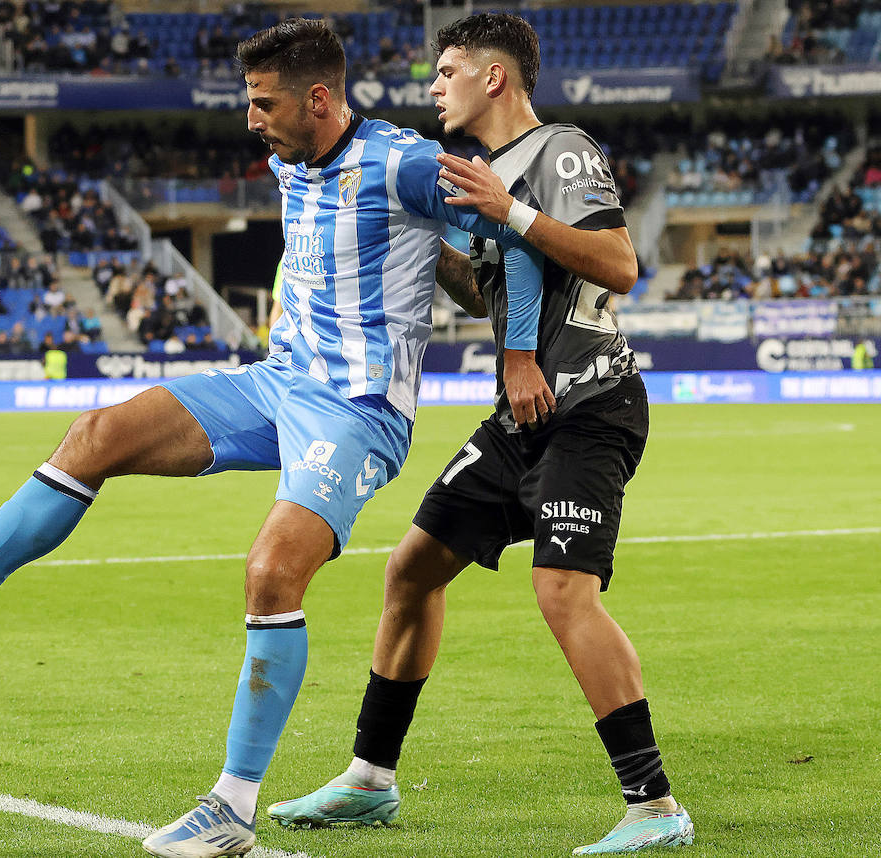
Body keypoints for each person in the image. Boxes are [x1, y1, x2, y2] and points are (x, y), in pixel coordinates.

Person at [0, 18, 542, 858]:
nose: (252, 119)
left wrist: (516, 346)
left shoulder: (408, 162)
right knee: (95, 433)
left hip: (356, 410)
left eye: (263, 102)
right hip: (274, 383)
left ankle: (232, 810)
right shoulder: (291, 159)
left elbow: (517, 240)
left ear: (319, 98)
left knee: (273, 569)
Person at [267, 13, 694, 855]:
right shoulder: (478, 175)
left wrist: (515, 218)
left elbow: (618, 265)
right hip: (522, 417)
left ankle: (654, 805)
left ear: (493, 78)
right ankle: (370, 779)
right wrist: (434, 250)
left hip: (591, 402)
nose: (434, 85)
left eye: (448, 69)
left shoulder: (559, 150)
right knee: (412, 569)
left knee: (562, 590)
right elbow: (488, 290)